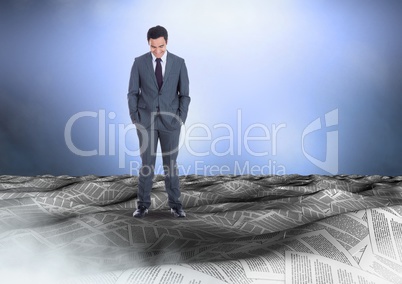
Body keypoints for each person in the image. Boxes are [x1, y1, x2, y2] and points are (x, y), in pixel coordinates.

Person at [127, 25, 190, 218]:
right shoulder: (139, 62)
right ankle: (143, 205)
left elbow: (184, 95)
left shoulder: (179, 63)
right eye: (153, 47)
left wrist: (180, 118)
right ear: (148, 43)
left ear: (167, 42)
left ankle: (176, 205)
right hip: (146, 122)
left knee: (171, 165)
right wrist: (135, 118)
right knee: (147, 164)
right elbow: (132, 93)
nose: (157, 51)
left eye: (161, 46)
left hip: (171, 122)